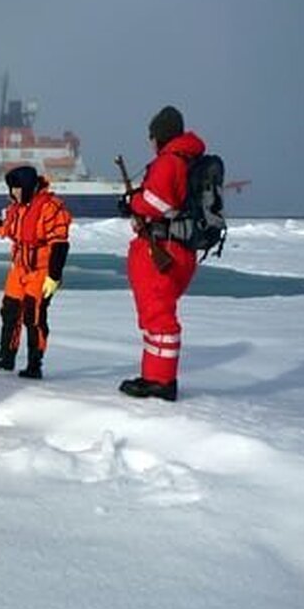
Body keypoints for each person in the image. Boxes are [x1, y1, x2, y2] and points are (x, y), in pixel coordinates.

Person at [118, 105, 206, 401]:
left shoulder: (169, 162)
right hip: (179, 250)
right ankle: (153, 375)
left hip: (162, 251)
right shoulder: (190, 160)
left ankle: (160, 381)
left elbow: (158, 202)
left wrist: (132, 204)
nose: (150, 142)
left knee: (159, 317)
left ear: (160, 135)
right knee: (157, 316)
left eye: (151, 136)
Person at [0, 165, 72, 379]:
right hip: (19, 269)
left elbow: (60, 244)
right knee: (9, 311)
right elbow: (8, 227)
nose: (13, 193)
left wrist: (53, 276)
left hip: (41, 271)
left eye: (16, 188)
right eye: (11, 189)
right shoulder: (17, 208)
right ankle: (6, 356)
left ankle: (34, 364)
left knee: (33, 316)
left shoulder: (52, 208)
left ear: (27, 186)